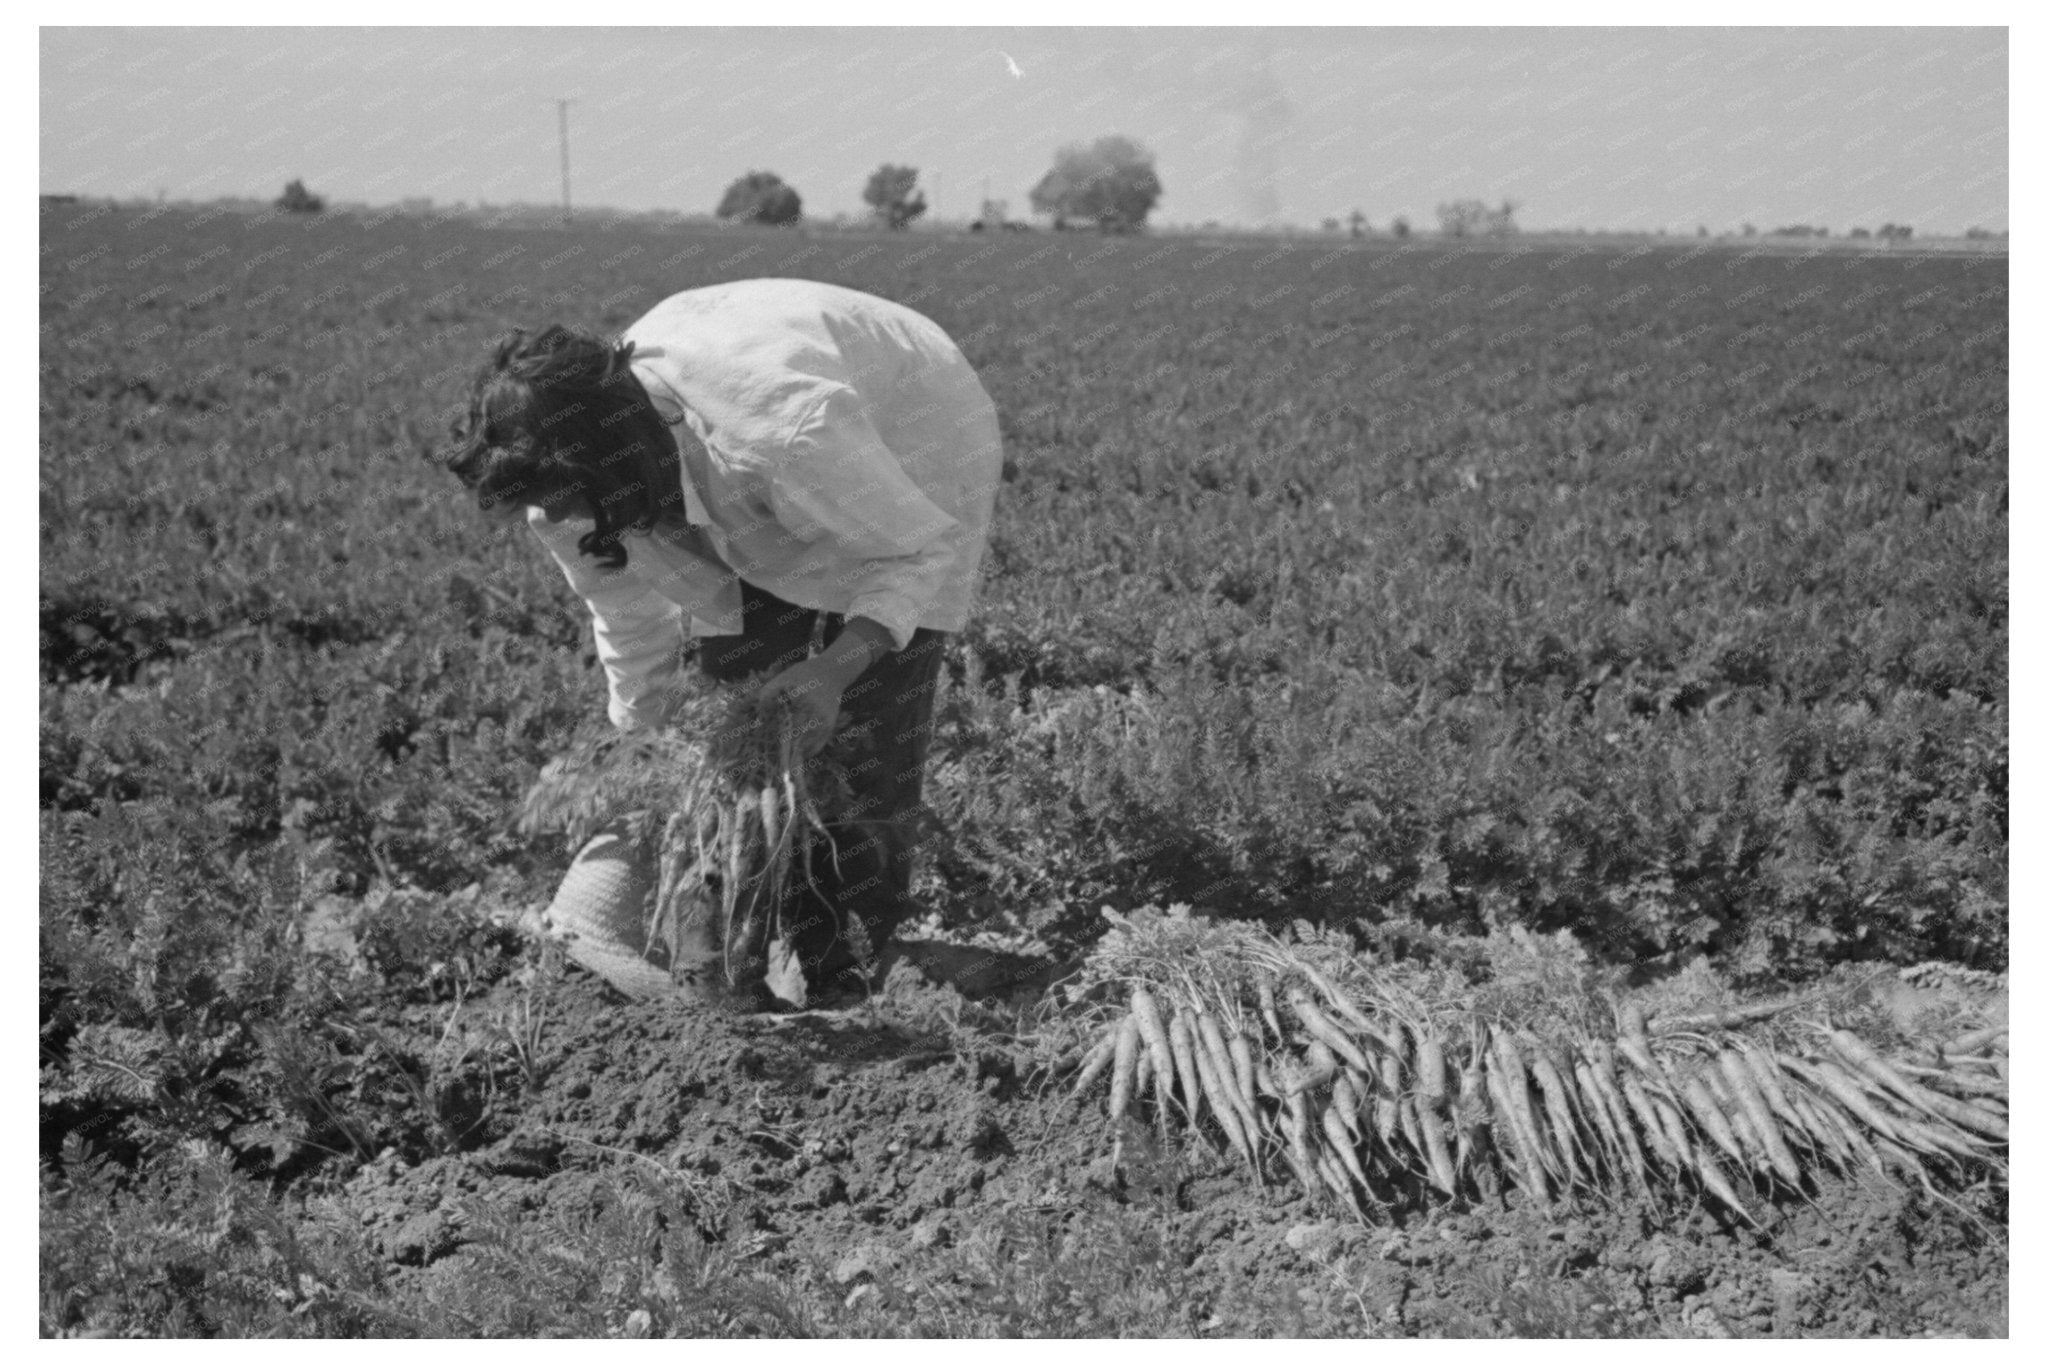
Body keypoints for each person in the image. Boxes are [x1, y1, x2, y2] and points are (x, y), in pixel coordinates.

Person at [441, 278, 1003, 1005]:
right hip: (756, 467)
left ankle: (848, 974)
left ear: (619, 460)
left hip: (909, 430)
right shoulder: (565, 488)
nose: (557, 517)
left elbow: (911, 555)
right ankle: (722, 976)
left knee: (864, 732)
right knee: (735, 721)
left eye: (572, 501)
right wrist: (642, 749)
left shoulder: (784, 433)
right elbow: (629, 622)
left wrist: (834, 669)